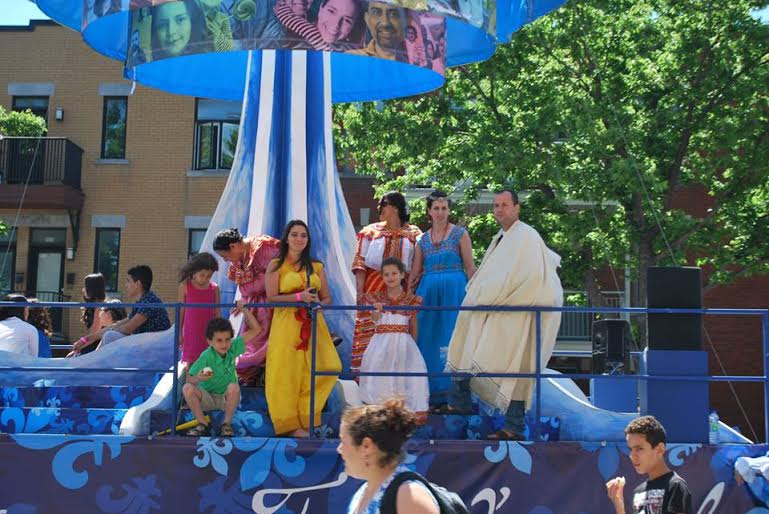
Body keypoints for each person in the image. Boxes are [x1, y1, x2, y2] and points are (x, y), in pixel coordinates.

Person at [445, 189, 563, 440]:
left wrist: (489, 296)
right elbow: (492, 275)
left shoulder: (527, 236)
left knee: (516, 370)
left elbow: (532, 278)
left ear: (517, 207)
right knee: (469, 346)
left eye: (505, 204)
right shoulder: (501, 237)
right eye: (496, 205)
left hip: (518, 313)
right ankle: (460, 402)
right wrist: (481, 294)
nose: (499, 209)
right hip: (498, 310)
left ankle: (513, 427)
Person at [264, 220, 341, 437]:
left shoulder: (316, 266)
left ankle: (307, 417)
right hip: (286, 324)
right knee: (286, 372)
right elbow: (271, 298)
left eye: (303, 235)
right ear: (287, 238)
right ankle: (289, 425)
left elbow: (327, 298)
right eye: (295, 234)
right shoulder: (276, 265)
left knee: (329, 366)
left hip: (314, 322)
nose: (299, 239)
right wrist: (299, 297)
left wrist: (317, 304)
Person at [408, 190, 475, 408]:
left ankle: (455, 396)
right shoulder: (421, 240)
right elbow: (415, 272)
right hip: (428, 296)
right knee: (427, 338)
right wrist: (407, 299)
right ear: (429, 211)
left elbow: (470, 267)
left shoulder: (460, 234)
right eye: (436, 208)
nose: (440, 212)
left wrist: (476, 295)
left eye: (444, 208)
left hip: (455, 293)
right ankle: (430, 393)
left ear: (449, 210)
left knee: (453, 337)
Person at [351, 191, 421, 376]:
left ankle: (397, 379)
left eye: (383, 204)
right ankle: (366, 379)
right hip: (373, 289)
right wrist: (359, 292)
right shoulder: (370, 232)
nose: (379, 208)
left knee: (399, 334)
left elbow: (418, 266)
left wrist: (411, 293)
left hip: (402, 292)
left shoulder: (414, 234)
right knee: (371, 332)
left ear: (395, 207)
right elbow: (360, 263)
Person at [338, 398, 440, 514]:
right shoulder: (363, 492)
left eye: (343, 441)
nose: (339, 449)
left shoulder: (408, 495)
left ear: (366, 446)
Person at [359, 257, 428, 415]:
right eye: (386, 274)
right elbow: (374, 320)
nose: (390, 277)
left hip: (403, 342)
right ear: (382, 277)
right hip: (381, 342)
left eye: (394, 273)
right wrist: (377, 310)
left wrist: (412, 348)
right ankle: (380, 410)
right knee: (379, 371)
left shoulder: (411, 300)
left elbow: (413, 326)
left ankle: (403, 411)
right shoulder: (376, 298)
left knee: (404, 374)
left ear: (402, 275)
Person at [213, 227, 280, 384]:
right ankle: (253, 376)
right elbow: (246, 287)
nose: (225, 260)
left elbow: (283, 273)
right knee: (250, 343)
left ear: (233, 246)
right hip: (255, 309)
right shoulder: (237, 261)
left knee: (269, 342)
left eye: (225, 256)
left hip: (275, 306)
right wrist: (243, 302)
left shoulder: (262, 249)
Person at [183, 305, 262, 437]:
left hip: (227, 400)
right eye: (219, 340)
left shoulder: (233, 347)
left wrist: (244, 309)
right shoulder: (206, 356)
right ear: (210, 341)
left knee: (234, 387)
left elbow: (256, 330)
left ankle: (226, 425)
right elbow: (189, 379)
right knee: (187, 388)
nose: (224, 344)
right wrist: (199, 378)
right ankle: (202, 424)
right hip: (207, 399)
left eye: (227, 340)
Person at [71, 265, 171, 354]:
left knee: (110, 336)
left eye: (128, 281)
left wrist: (105, 333)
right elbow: (118, 325)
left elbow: (128, 328)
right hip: (146, 343)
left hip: (156, 346)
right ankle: (94, 361)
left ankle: (94, 363)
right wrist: (85, 339)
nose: (126, 285)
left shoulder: (149, 302)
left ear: (138, 284)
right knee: (110, 334)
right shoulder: (142, 302)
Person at [606, 416, 692, 514]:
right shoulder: (638, 491)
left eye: (639, 449)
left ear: (659, 449)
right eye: (630, 449)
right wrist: (619, 505)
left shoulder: (676, 486)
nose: (632, 456)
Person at [178, 252, 221, 365]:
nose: (205, 279)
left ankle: (205, 378)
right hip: (191, 333)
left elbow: (217, 313)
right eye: (202, 275)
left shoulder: (214, 288)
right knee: (191, 363)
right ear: (194, 271)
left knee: (209, 363)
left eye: (209, 276)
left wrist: (220, 334)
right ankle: (190, 377)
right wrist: (179, 333)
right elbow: (181, 311)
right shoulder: (185, 286)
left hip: (209, 332)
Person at [274, 0, 361, 51]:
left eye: (347, 20)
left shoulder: (353, 50)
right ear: (321, 8)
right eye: (331, 11)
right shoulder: (288, 37)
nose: (336, 25)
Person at [79, 273, 109, 355]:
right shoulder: (95, 306)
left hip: (98, 347)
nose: (83, 290)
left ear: (92, 289)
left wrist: (77, 349)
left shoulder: (100, 308)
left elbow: (93, 335)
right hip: (94, 345)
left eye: (85, 287)